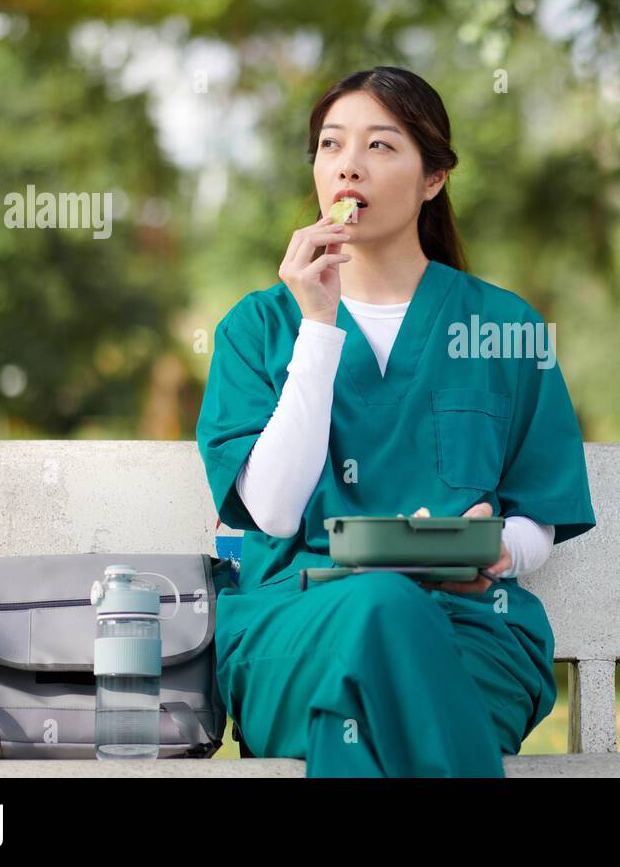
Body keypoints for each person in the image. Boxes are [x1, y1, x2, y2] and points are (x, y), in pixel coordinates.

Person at [195, 66, 596, 777]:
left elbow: (540, 516)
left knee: (360, 702)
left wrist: (497, 548)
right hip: (295, 626)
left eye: (381, 146)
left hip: (472, 631)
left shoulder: (505, 327)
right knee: (379, 610)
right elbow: (277, 512)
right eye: (330, 145)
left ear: (434, 177)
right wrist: (318, 327)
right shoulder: (257, 328)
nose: (348, 164)